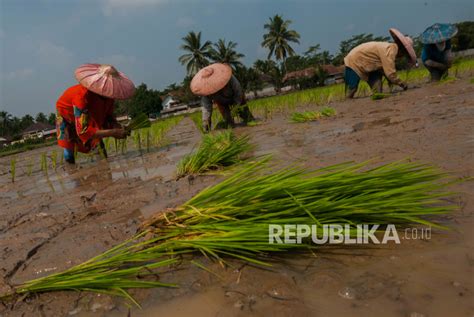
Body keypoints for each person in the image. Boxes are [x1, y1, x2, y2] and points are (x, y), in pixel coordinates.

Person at [56, 64, 135, 163]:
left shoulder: (109, 96)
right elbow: (84, 131)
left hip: (90, 114)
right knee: (70, 147)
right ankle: (71, 169)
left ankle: (104, 169)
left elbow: (108, 117)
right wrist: (113, 132)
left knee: (99, 146)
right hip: (67, 114)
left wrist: (117, 126)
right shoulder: (82, 97)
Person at [344, 28, 417, 98]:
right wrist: (402, 84)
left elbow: (385, 71)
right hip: (354, 61)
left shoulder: (389, 48)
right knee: (352, 89)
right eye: (404, 54)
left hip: (370, 66)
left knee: (378, 92)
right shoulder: (389, 51)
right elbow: (390, 74)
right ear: (402, 50)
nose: (402, 56)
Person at [190, 63, 254, 132]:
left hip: (237, 98)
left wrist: (236, 107)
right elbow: (206, 108)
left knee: (246, 116)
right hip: (222, 103)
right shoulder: (206, 91)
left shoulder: (230, 78)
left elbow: (238, 92)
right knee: (229, 123)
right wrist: (206, 123)